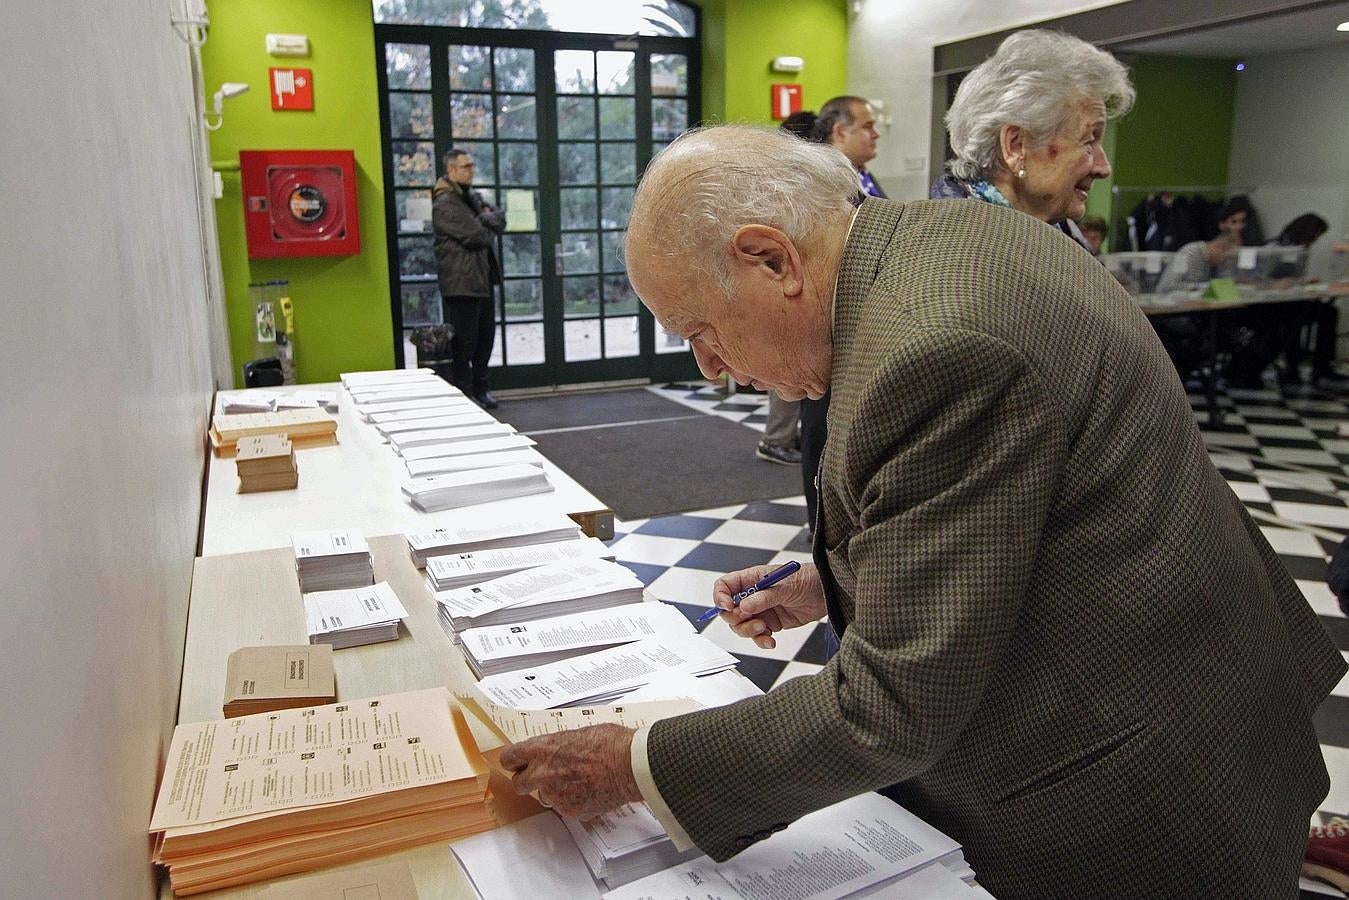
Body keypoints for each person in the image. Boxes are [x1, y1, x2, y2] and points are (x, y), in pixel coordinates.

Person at [498, 125, 1345, 899]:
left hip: (1134, 778)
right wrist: (842, 577)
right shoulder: (960, 236)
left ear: (771, 259)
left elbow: (891, 707)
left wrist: (637, 764)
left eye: (699, 329)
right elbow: (1030, 514)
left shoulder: (935, 349)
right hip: (1200, 684)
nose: (710, 368)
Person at [931, 30, 1131, 253]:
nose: (1104, 168)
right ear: (1016, 146)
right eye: (1088, 140)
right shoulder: (953, 257)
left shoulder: (1063, 240)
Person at [799, 97, 885, 528]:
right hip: (829, 334)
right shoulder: (819, 187)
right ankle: (825, 535)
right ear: (839, 132)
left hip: (868, 337)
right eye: (867, 126)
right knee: (823, 441)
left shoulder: (866, 180)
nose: (876, 134)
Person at [754, 112, 819, 468]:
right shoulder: (791, 178)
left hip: (783, 282)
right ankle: (776, 438)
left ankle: (781, 435)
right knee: (789, 366)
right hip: (786, 285)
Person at [432, 148, 506, 409]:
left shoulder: (471, 198)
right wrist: (485, 221)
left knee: (486, 337)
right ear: (451, 170)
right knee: (465, 343)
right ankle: (463, 395)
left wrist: (484, 218)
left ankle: (481, 389)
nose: (471, 170)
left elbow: (500, 218)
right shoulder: (445, 203)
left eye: (472, 165)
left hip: (482, 280)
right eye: (466, 166)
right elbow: (479, 236)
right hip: (461, 284)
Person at [1154, 195, 1251, 294]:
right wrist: (1203, 287)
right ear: (1217, 246)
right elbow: (1165, 287)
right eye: (1225, 252)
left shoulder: (1217, 265)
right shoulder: (1191, 252)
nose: (1224, 259)